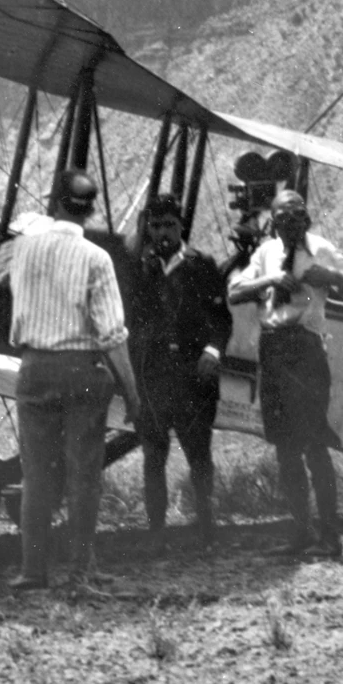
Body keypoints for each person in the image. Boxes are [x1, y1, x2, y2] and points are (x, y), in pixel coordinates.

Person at [0, 169, 140, 591]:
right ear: (89, 210)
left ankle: (34, 571)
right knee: (84, 474)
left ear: (55, 203)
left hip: (34, 369)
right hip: (83, 370)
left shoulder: (21, 248)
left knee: (36, 474)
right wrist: (133, 397)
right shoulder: (96, 258)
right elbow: (112, 335)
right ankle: (81, 569)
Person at [228, 190, 343, 558]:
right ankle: (301, 533)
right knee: (285, 448)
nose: (290, 223)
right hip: (273, 350)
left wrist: (330, 276)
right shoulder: (266, 253)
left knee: (315, 445)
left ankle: (331, 537)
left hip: (305, 349)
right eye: (283, 217)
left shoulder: (321, 249)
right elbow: (235, 291)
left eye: (297, 216)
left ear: (306, 218)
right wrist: (269, 280)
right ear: (273, 221)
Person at [128, 194, 233, 551]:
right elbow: (130, 322)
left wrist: (213, 349)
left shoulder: (201, 265)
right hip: (154, 379)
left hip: (193, 379)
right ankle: (155, 533)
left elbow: (221, 319)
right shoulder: (140, 269)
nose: (162, 234)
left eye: (169, 225)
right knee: (153, 457)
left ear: (180, 226)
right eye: (155, 226)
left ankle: (207, 531)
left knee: (199, 456)